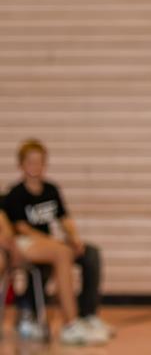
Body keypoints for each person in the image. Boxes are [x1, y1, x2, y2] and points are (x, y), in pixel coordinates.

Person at [3, 139, 113, 345]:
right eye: (30, 162)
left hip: (49, 243)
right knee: (60, 254)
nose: (35, 167)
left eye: (40, 162)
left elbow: (65, 219)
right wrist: (56, 244)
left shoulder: (51, 190)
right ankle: (69, 324)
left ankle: (87, 315)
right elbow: (22, 229)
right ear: (21, 165)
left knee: (90, 253)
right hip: (29, 244)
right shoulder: (15, 194)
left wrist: (74, 238)